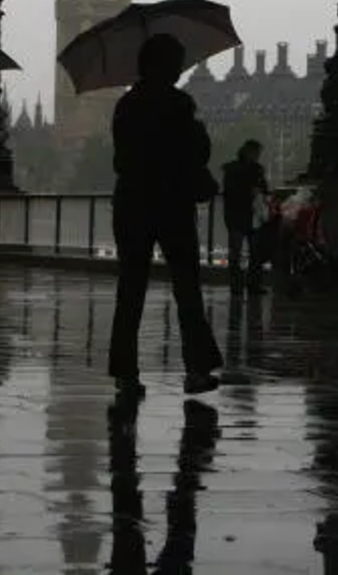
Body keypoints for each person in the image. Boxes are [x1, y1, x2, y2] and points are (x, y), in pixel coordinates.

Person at [110, 33, 224, 399]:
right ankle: (197, 369)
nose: (180, 69)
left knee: (130, 291)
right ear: (160, 64)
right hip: (172, 205)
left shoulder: (125, 106)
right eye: (176, 62)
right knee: (187, 289)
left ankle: (125, 374)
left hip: (132, 205)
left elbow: (121, 160)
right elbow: (197, 153)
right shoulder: (179, 104)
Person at [221, 139, 270, 295]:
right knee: (254, 253)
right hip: (249, 216)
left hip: (236, 216)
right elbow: (264, 189)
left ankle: (237, 285)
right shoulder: (256, 170)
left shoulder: (232, 170)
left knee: (237, 253)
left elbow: (228, 193)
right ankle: (252, 284)